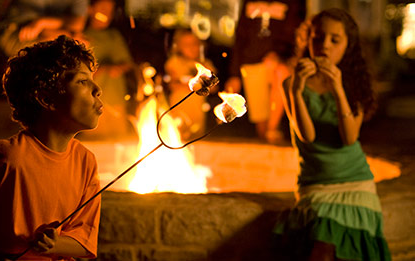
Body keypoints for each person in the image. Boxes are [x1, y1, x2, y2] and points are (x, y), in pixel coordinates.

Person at [0, 35, 103, 260]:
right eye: (82, 81)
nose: (97, 89)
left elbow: (85, 242)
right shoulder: (8, 159)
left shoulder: (86, 162)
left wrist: (55, 244)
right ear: (46, 98)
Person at [274, 8, 391, 260]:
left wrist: (338, 88)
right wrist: (296, 92)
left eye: (334, 40)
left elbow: (349, 137)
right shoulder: (291, 83)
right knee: (321, 251)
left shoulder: (356, 83)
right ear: (308, 40)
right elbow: (307, 136)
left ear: (347, 46)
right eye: (317, 37)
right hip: (316, 184)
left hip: (355, 181)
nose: (324, 45)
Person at [225, 0, 305, 143]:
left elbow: (294, 31)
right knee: (261, 121)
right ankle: (267, 139)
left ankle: (273, 129)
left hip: (277, 61)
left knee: (280, 75)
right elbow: (241, 35)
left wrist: (279, 53)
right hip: (250, 62)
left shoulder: (293, 3)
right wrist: (234, 74)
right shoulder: (249, 2)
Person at [78, 0, 135, 140]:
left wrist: (118, 68)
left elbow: (128, 63)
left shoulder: (114, 36)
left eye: (110, 11)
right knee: (95, 143)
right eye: (102, 9)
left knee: (119, 144)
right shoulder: (82, 37)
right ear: (90, 10)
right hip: (91, 101)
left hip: (116, 100)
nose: (106, 14)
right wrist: (103, 69)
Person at [164, 28, 217, 140]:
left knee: (196, 138)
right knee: (177, 137)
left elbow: (214, 88)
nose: (191, 48)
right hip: (179, 109)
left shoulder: (206, 65)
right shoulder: (174, 63)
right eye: (186, 44)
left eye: (194, 44)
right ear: (178, 46)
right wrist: (196, 86)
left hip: (198, 112)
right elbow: (172, 84)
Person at [0, 0, 89, 57]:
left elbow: (77, 24)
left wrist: (42, 23)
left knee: (72, 40)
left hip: (40, 39)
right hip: (14, 32)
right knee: (71, 41)